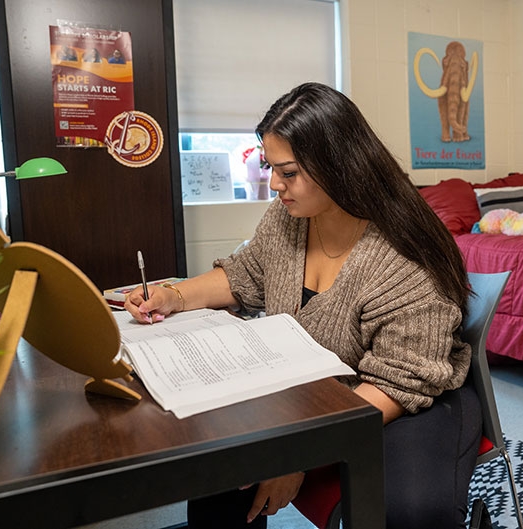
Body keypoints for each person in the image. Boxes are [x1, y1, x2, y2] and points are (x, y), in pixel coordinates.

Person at [125, 82, 482, 529]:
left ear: (339, 167)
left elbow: (398, 381)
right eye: (270, 168)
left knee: (407, 513)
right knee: (220, 468)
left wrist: (300, 454)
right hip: (316, 389)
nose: (275, 184)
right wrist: (173, 296)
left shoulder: (403, 254)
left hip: (407, 393)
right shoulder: (288, 218)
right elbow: (245, 275)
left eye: (288, 172)